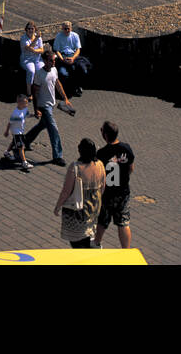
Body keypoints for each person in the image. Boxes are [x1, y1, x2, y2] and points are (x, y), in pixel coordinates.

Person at [55, 138, 105, 248]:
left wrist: (58, 206)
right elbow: (102, 187)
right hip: (92, 210)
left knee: (76, 243)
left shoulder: (75, 167)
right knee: (87, 236)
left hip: (77, 212)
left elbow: (66, 192)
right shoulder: (100, 165)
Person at [95, 120, 136, 248]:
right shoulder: (126, 148)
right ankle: (126, 250)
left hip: (107, 194)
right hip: (122, 193)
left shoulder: (101, 153)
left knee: (102, 221)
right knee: (123, 222)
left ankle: (96, 244)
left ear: (106, 135)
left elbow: (99, 175)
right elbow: (131, 168)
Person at [25, 50, 70, 165]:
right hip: (44, 106)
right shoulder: (39, 74)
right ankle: (57, 156)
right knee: (53, 130)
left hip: (51, 104)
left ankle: (25, 141)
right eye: (51, 60)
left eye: (54, 60)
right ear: (45, 61)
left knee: (41, 125)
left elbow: (57, 83)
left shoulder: (54, 70)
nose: (53, 62)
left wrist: (65, 97)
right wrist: (36, 109)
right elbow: (35, 92)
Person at [52, 20, 88, 95]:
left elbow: (78, 49)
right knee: (63, 73)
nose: (67, 30)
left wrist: (73, 58)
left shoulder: (75, 35)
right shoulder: (59, 36)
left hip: (73, 55)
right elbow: (57, 51)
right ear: (62, 29)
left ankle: (78, 85)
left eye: (68, 28)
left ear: (71, 29)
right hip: (63, 56)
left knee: (82, 69)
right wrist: (62, 59)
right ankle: (68, 88)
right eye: (65, 29)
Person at [2, 93, 32, 172]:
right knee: (21, 147)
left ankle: (6, 152)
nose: (27, 104)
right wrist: (7, 131)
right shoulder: (15, 114)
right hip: (16, 132)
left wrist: (35, 115)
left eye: (27, 102)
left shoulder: (25, 109)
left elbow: (27, 115)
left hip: (20, 131)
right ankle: (24, 162)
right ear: (19, 103)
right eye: (25, 103)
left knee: (13, 142)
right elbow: (10, 123)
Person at [19, 22, 44, 89]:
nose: (30, 30)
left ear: (35, 29)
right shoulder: (23, 38)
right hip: (27, 59)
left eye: (32, 29)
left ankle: (40, 89)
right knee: (31, 71)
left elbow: (41, 50)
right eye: (28, 29)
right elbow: (29, 48)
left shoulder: (38, 37)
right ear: (26, 30)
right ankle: (29, 91)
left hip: (37, 59)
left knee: (42, 70)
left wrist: (35, 51)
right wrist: (36, 38)